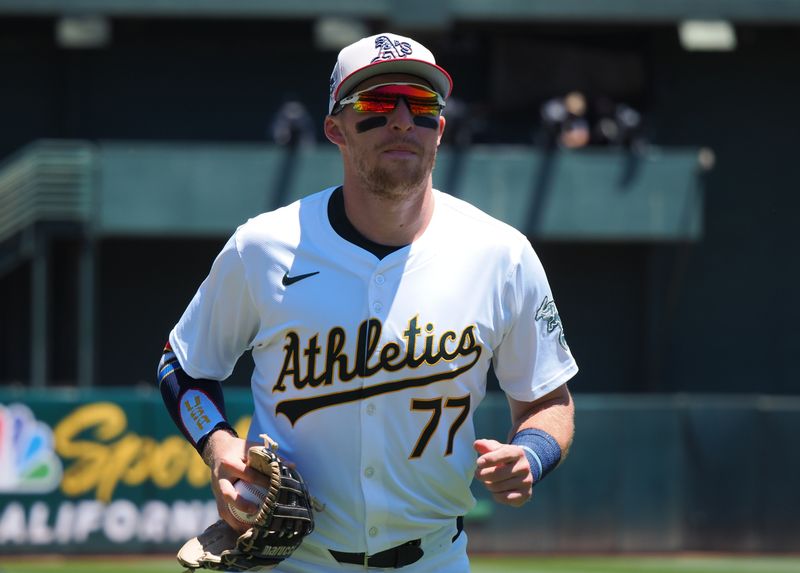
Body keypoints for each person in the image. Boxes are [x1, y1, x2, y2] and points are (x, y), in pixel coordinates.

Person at [158, 32, 578, 572]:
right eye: (378, 103)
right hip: (294, 560)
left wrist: (534, 454)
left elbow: (548, 400)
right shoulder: (263, 247)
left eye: (422, 106)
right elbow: (181, 363)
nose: (402, 120)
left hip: (435, 559)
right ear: (336, 127)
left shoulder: (501, 254)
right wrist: (219, 448)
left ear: (440, 129)